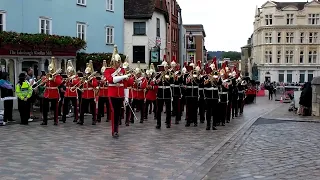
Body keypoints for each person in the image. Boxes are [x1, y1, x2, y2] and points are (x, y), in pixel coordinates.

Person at [105, 45, 130, 137]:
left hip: (120, 95)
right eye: (117, 62)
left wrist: (126, 97)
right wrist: (123, 76)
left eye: (119, 62)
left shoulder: (123, 70)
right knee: (113, 112)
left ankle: (117, 130)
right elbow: (111, 80)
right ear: (113, 62)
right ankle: (113, 131)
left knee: (118, 113)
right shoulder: (108, 70)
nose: (118, 64)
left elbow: (126, 84)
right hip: (112, 94)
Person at [41, 57, 63, 126]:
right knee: (45, 108)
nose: (50, 71)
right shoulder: (47, 76)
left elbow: (59, 83)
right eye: (50, 69)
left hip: (54, 93)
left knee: (55, 108)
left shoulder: (57, 76)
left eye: (52, 69)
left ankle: (55, 121)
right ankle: (45, 121)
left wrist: (53, 78)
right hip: (47, 93)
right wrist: (44, 81)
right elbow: (42, 84)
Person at [155, 58, 173, 129]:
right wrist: (160, 76)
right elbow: (155, 82)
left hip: (167, 92)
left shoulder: (170, 73)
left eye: (165, 67)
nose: (164, 68)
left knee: (168, 109)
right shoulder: (158, 74)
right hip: (160, 92)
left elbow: (171, 82)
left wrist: (167, 77)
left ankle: (168, 123)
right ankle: (158, 123)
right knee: (159, 109)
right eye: (163, 67)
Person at [79, 60, 98, 125]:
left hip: (91, 95)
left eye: (88, 73)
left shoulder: (93, 78)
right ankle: (81, 120)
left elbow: (95, 85)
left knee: (93, 109)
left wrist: (89, 81)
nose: (87, 74)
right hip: (84, 95)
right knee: (82, 109)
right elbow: (80, 85)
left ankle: (94, 120)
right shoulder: (84, 78)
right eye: (86, 73)